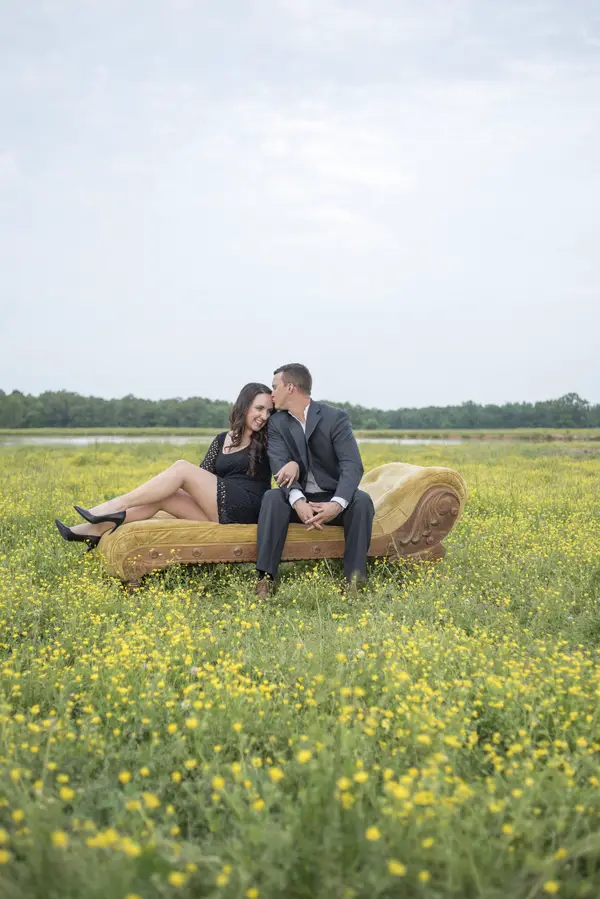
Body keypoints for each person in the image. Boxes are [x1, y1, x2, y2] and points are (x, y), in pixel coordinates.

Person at [55, 383, 295, 548]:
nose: (264, 416)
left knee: (181, 468)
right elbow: (202, 477)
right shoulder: (223, 439)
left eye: (268, 411)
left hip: (247, 508)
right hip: (217, 510)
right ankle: (94, 530)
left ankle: (111, 506)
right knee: (164, 497)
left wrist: (293, 463)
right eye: (259, 408)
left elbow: (289, 457)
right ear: (244, 407)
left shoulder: (269, 440)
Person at [255, 363, 375, 598]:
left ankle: (354, 582)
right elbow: (279, 464)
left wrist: (337, 503)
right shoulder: (277, 423)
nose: (272, 394)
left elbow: (352, 465)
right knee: (271, 497)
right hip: (297, 496)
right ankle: (265, 580)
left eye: (274, 387)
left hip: (331, 496)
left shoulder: (335, 417)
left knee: (362, 501)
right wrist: (298, 501)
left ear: (290, 387)